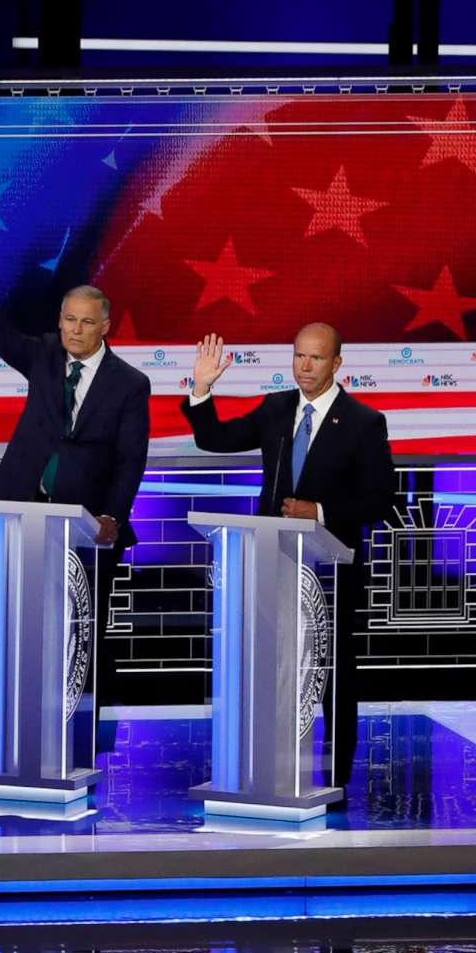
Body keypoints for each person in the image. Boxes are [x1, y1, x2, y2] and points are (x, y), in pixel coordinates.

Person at [183, 324, 399, 783]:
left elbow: (381, 500)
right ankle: (266, 764)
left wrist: (317, 510)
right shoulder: (277, 408)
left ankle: (336, 776)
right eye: (299, 356)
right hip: (272, 561)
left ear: (336, 364)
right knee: (271, 664)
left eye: (315, 358)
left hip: (332, 571)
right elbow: (214, 440)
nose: (304, 366)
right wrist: (201, 389)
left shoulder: (364, 422)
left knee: (332, 670)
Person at [0, 216, 149, 550]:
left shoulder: (129, 384)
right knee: (10, 600)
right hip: (18, 505)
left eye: (87, 322)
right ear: (60, 320)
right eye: (70, 320)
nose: (75, 330)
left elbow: (130, 460)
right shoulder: (43, 355)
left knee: (81, 603)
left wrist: (112, 515)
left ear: (104, 327)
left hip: (86, 522)